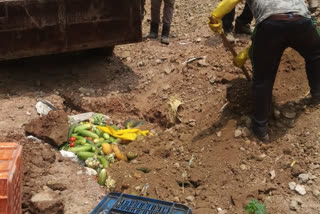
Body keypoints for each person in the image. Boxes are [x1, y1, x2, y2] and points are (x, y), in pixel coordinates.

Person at [208, 0, 320, 142]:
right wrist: (247, 52)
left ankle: (260, 128)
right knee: (316, 55)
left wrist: (216, 16)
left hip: (271, 24)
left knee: (263, 78)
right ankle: (317, 94)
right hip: (302, 21)